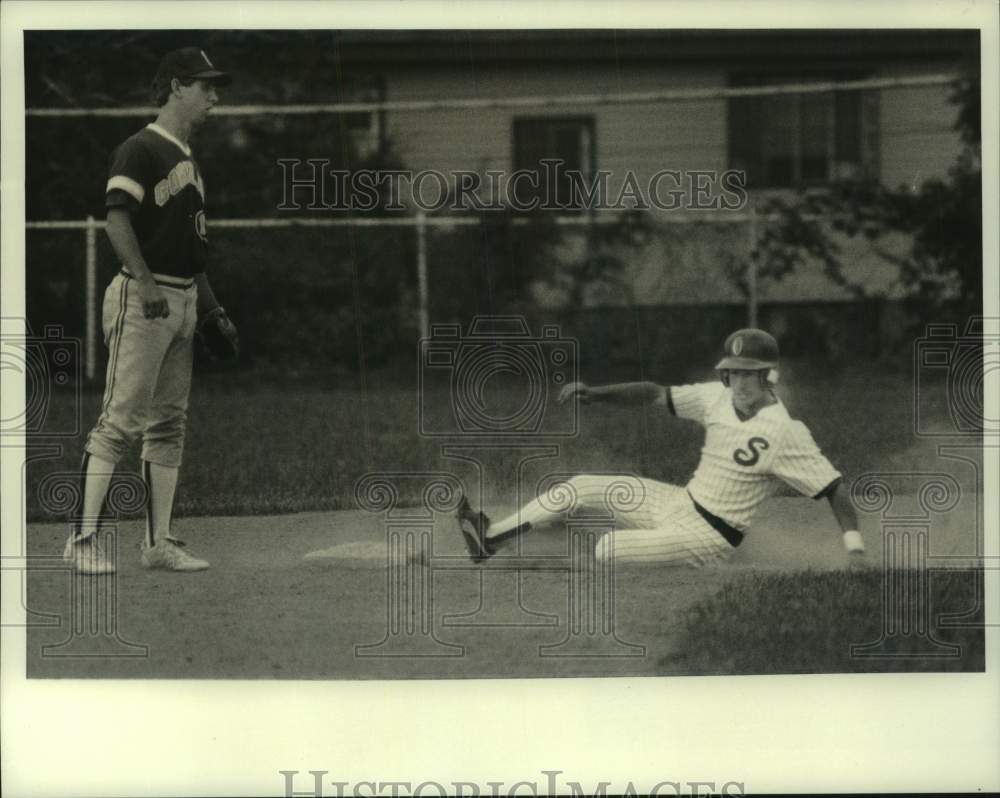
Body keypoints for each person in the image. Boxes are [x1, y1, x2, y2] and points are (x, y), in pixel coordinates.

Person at [456, 328, 867, 568]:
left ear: (769, 377)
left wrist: (855, 549)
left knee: (608, 549)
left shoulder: (786, 432)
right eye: (734, 373)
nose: (739, 383)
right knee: (581, 486)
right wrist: (596, 394)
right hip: (678, 503)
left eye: (750, 375)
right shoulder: (716, 397)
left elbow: (834, 489)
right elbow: (654, 393)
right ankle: (489, 539)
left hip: (709, 538)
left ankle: (548, 550)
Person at [63, 48, 237, 574]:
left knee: (169, 425)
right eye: (205, 87)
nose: (214, 97)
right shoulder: (140, 149)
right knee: (120, 420)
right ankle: (82, 542)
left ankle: (158, 542)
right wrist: (143, 283)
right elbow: (118, 221)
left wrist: (211, 311)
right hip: (146, 298)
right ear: (177, 86)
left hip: (182, 296)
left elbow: (190, 247)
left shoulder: (186, 160)